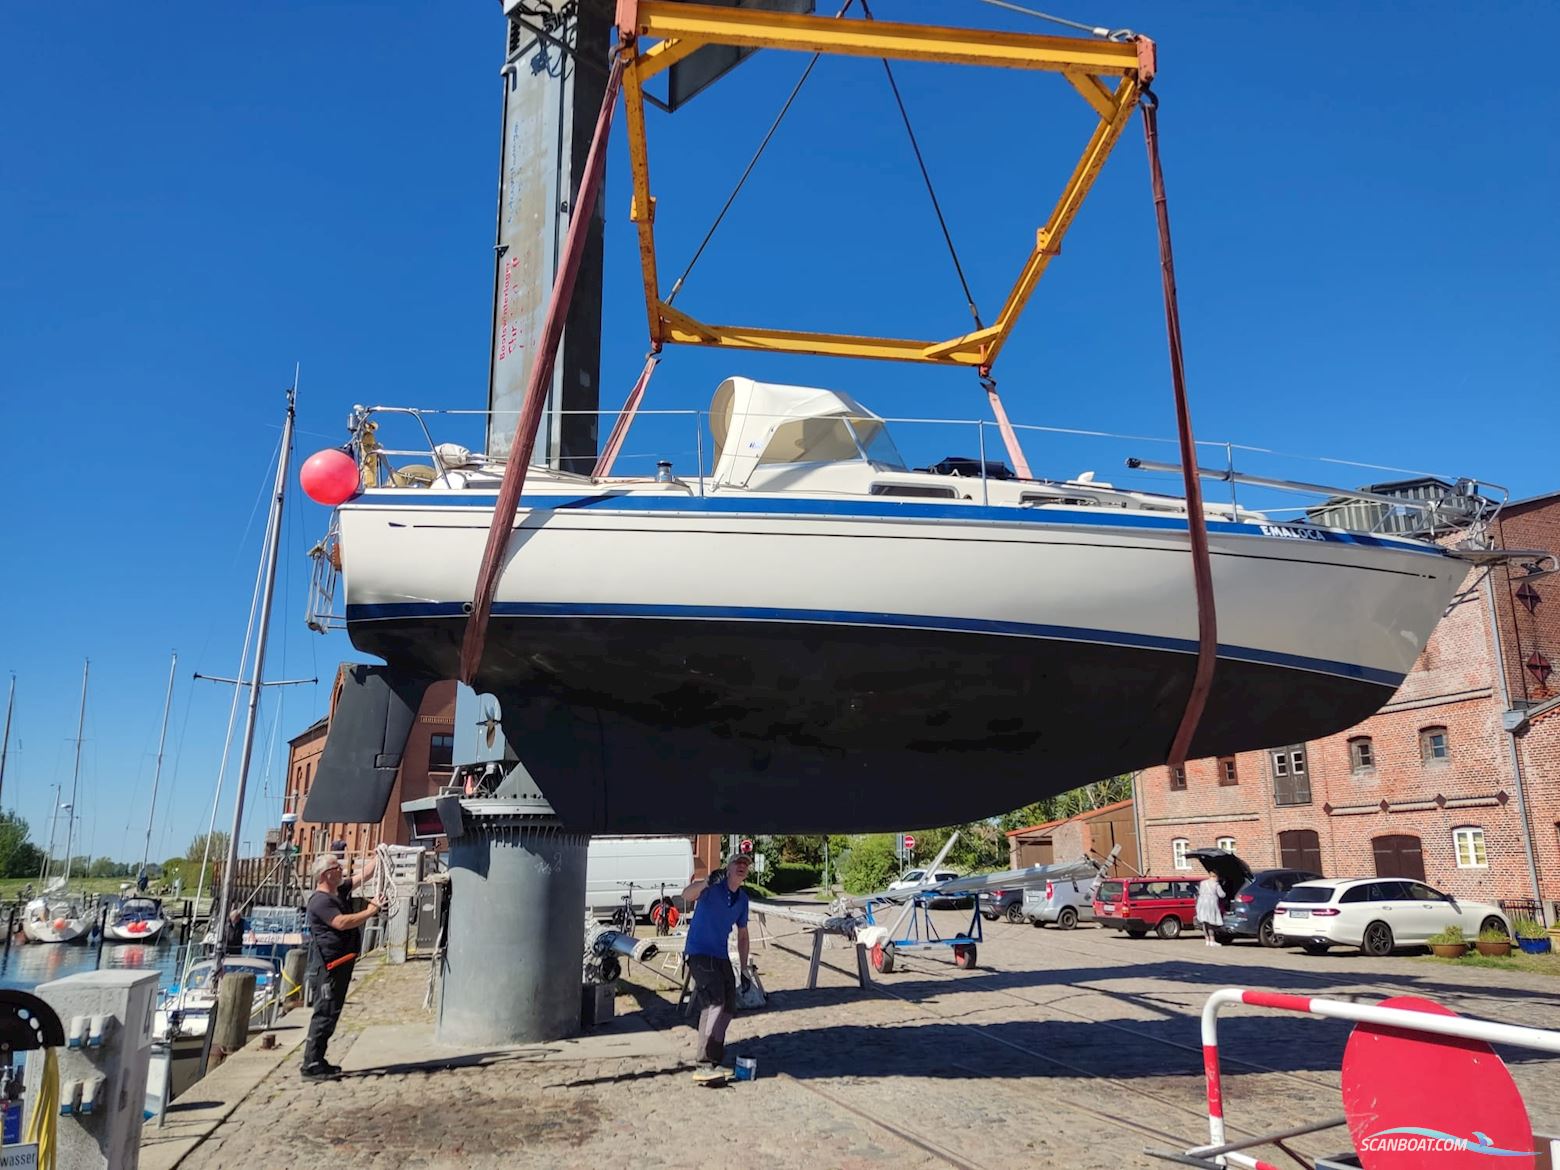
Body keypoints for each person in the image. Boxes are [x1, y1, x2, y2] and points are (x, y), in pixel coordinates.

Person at [302, 853, 382, 1080]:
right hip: (328, 968)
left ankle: (319, 1060)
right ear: (326, 874)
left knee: (332, 1013)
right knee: (324, 1014)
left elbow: (362, 876)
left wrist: (380, 856)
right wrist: (369, 911)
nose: (342, 871)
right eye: (337, 868)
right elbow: (341, 922)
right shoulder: (320, 901)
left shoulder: (339, 890)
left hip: (342, 963)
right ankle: (310, 1065)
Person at [678, 853, 755, 1078]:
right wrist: (706, 881)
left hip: (720, 955)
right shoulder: (712, 888)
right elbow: (686, 894)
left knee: (729, 1007)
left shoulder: (742, 900)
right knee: (715, 1001)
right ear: (728, 868)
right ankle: (703, 1063)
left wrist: (743, 969)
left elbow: (743, 936)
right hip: (699, 952)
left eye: (745, 864)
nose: (742, 866)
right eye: (737, 863)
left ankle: (714, 1059)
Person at [1195, 875, 1224, 947]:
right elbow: (1221, 895)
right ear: (1215, 877)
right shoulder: (1216, 884)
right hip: (1211, 904)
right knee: (1211, 922)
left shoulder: (1202, 883)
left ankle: (1207, 940)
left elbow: (1200, 892)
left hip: (1202, 903)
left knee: (1204, 922)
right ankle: (1212, 940)